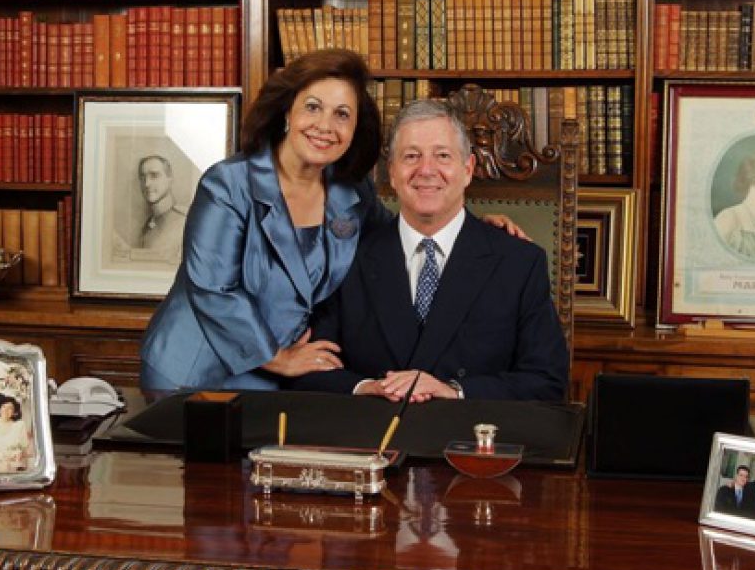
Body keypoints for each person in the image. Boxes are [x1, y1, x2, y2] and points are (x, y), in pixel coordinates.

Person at [140, 50, 521, 392]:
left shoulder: (351, 192)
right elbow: (212, 290)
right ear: (287, 112)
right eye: (312, 107)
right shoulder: (228, 185)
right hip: (194, 372)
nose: (325, 126)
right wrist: (281, 359)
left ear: (355, 130)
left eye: (342, 114)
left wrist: (473, 231)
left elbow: (398, 236)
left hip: (279, 378)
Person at [291, 99, 569, 402]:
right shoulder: (346, 258)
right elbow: (309, 368)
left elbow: (546, 381)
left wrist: (454, 392)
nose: (426, 170)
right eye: (411, 156)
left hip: (470, 439)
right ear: (391, 173)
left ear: (467, 169)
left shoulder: (520, 263)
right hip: (372, 437)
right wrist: (367, 388)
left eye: (442, 156)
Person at [137, 154, 188, 260]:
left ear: (170, 179)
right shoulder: (147, 226)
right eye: (143, 177)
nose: (146, 184)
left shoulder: (184, 222)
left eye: (154, 176)